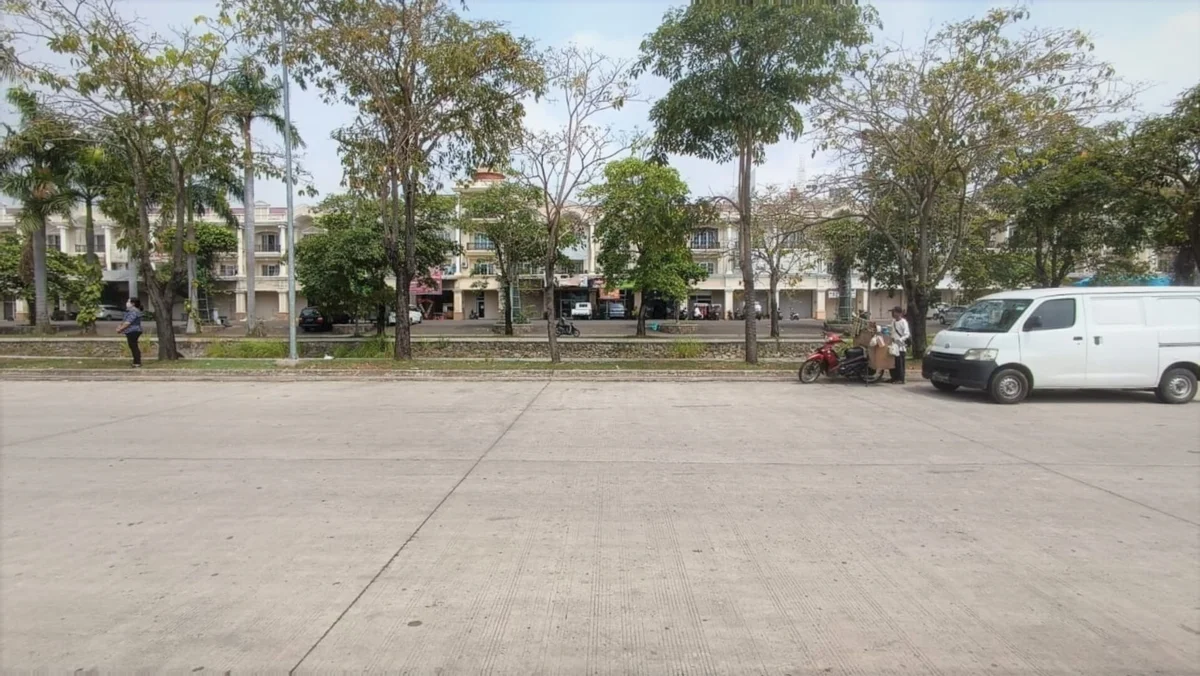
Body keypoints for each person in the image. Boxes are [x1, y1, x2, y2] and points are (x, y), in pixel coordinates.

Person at [116, 298, 144, 368]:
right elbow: (125, 321)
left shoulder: (134, 311)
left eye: (128, 301)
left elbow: (128, 322)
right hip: (131, 331)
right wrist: (120, 326)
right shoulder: (130, 311)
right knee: (132, 346)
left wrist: (120, 329)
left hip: (133, 331)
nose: (127, 303)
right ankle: (136, 362)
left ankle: (137, 362)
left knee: (134, 346)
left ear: (133, 303)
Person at [889, 305, 910, 383]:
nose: (893, 314)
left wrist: (900, 340)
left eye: (895, 312)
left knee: (900, 362)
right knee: (893, 362)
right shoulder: (893, 321)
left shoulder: (903, 322)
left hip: (900, 344)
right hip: (893, 344)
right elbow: (892, 331)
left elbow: (907, 334)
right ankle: (894, 377)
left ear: (899, 313)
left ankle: (901, 379)